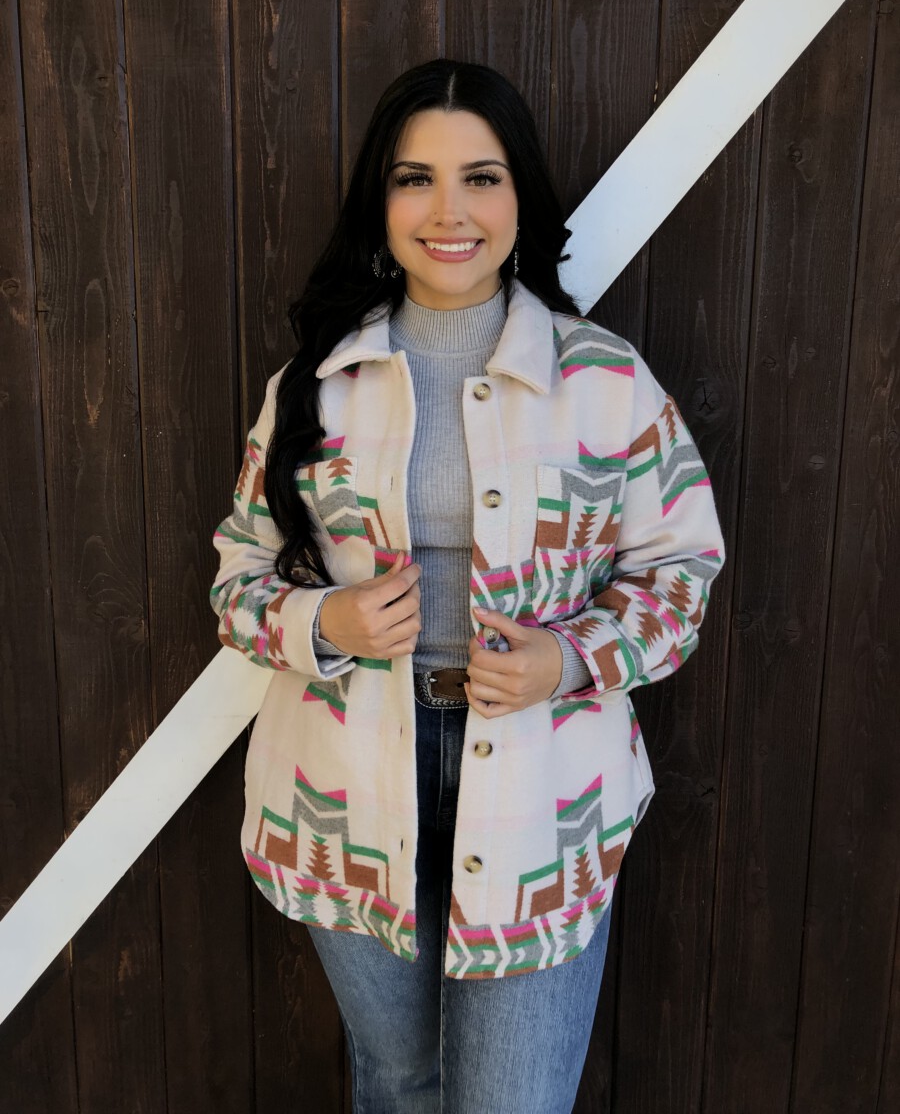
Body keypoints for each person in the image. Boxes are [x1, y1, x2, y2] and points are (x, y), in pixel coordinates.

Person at [209, 58, 726, 1113]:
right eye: (416, 179)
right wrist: (326, 619)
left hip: (544, 791)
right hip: (345, 788)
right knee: (399, 1082)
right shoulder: (314, 382)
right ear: (381, 200)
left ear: (520, 196)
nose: (449, 211)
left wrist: (569, 658)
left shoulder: (606, 381)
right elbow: (236, 580)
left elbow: (683, 572)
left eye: (480, 178)